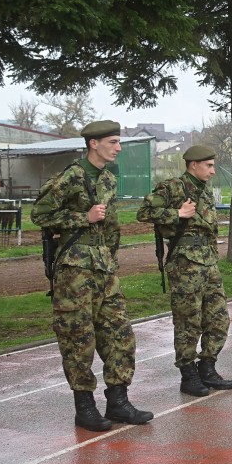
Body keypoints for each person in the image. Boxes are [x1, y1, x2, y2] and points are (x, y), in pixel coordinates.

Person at [32, 120, 153, 431]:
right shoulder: (71, 176)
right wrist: (81, 217)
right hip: (74, 271)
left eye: (118, 141)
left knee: (120, 334)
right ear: (93, 144)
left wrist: (111, 257)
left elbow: (111, 224)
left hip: (103, 268)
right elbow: (40, 214)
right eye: (113, 142)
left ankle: (118, 402)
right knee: (78, 339)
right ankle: (84, 408)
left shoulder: (108, 179)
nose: (118, 147)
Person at [137, 144, 232, 397]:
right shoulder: (173, 187)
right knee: (188, 321)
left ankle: (208, 367)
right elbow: (144, 212)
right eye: (209, 166)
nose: (213, 171)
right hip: (185, 264)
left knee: (218, 318)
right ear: (193, 165)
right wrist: (176, 213)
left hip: (208, 262)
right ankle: (188, 373)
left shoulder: (204, 191)